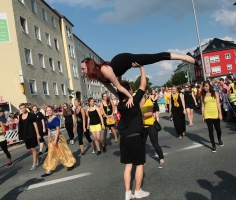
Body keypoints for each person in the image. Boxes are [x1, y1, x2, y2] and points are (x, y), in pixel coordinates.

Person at [81, 52, 196, 107]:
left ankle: (185, 57)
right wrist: (118, 97)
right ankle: (185, 57)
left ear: (89, 67)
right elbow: (110, 86)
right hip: (118, 69)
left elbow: (119, 86)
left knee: (154, 58)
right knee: (119, 82)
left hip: (125, 59)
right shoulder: (98, 76)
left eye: (83, 69)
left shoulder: (104, 70)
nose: (82, 71)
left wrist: (131, 97)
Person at [117, 62, 150, 200]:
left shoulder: (120, 103)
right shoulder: (133, 100)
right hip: (135, 137)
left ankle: (127, 193)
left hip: (124, 138)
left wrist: (119, 73)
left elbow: (117, 87)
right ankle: (137, 191)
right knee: (139, 164)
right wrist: (142, 68)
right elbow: (143, 85)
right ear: (129, 90)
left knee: (128, 166)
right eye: (130, 88)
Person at [41, 106, 76, 177]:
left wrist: (56, 140)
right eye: (47, 111)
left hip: (58, 137)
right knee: (50, 153)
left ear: (52, 110)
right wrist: (48, 140)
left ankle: (70, 164)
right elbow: (49, 131)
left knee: (63, 151)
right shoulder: (47, 120)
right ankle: (49, 169)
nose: (49, 112)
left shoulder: (56, 119)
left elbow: (57, 129)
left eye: (50, 110)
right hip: (51, 138)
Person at [140, 93, 165, 168]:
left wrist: (140, 115)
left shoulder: (149, 102)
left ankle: (161, 159)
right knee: (142, 144)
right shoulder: (139, 103)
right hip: (142, 127)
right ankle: (142, 160)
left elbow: (150, 113)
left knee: (155, 144)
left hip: (151, 126)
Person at [201, 81, 223, 153]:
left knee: (218, 129)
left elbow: (218, 104)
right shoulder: (203, 95)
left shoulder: (215, 93)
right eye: (204, 86)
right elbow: (203, 106)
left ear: (209, 86)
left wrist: (220, 114)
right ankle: (213, 145)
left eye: (206, 86)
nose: (205, 88)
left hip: (215, 113)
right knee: (210, 130)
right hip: (207, 114)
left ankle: (219, 139)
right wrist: (203, 116)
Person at [18, 103, 41, 170]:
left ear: (26, 108)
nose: (23, 109)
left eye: (23, 107)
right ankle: (38, 157)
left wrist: (38, 134)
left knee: (33, 149)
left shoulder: (31, 115)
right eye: (21, 108)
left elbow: (35, 124)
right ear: (20, 109)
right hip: (25, 134)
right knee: (29, 150)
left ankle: (34, 164)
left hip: (32, 133)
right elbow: (20, 125)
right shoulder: (20, 116)